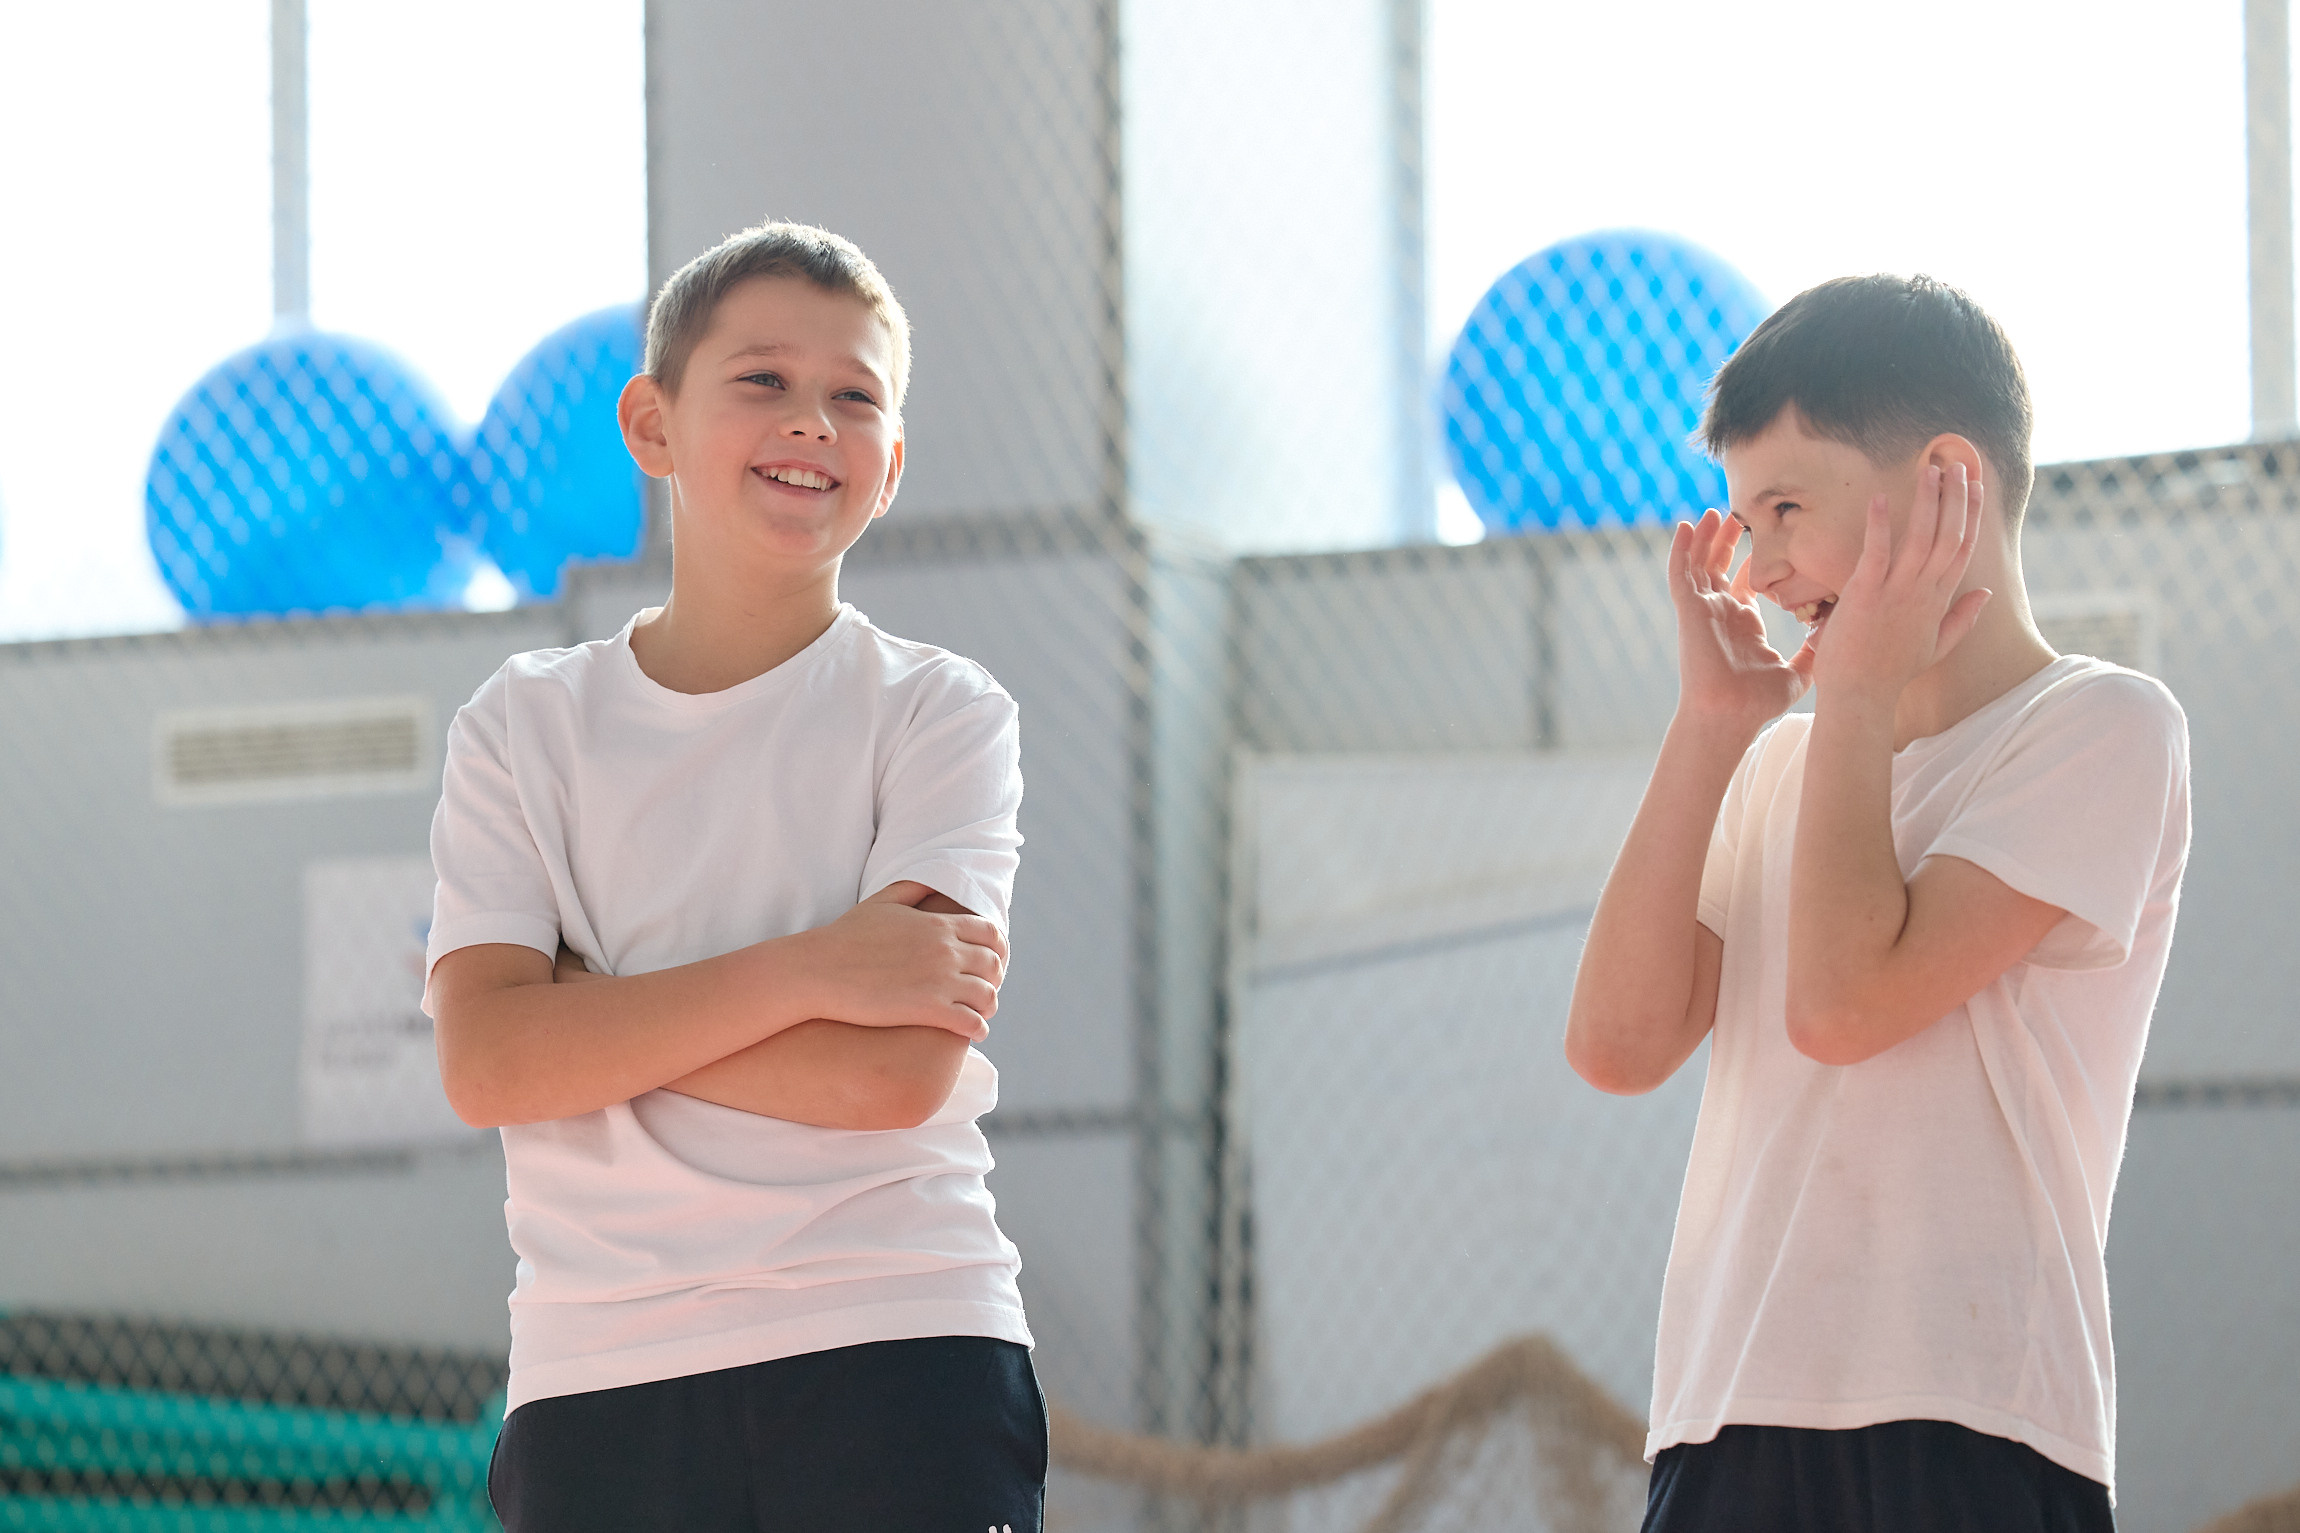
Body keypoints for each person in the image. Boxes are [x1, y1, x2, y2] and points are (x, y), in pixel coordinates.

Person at [424, 221, 1045, 1531]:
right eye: (762, 379)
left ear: (891, 466)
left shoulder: (942, 713)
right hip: (603, 1371)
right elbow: (487, 1063)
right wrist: (812, 970)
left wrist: (587, 1019)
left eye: (856, 394)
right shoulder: (522, 725)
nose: (812, 419)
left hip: (899, 1339)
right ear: (652, 422)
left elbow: (891, 1075)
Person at [1566, 274, 2189, 1532]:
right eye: (1741, 523)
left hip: (1971, 1419)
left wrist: (1847, 698)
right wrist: (1714, 728)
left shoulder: (2098, 725)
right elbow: (1615, 1047)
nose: (1757, 564)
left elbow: (1844, 1003)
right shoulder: (1784, 766)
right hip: (1726, 1409)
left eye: (1786, 508)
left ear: (1949, 481)